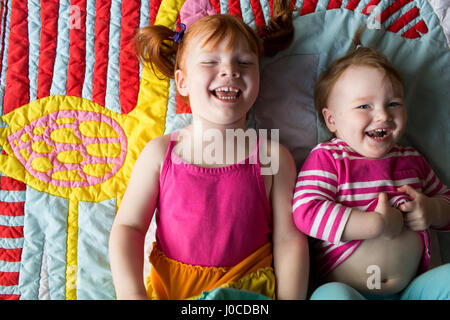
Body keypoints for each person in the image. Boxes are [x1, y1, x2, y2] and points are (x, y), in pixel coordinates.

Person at [109, 0, 309, 300]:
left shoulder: (272, 156)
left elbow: (288, 239)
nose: (229, 70)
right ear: (183, 82)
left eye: (244, 63)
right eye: (210, 62)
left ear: (259, 79)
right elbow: (128, 228)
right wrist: (132, 295)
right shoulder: (160, 153)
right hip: (173, 293)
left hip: (247, 297)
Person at [292, 33, 450, 300]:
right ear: (331, 120)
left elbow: (446, 200)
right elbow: (306, 211)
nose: (383, 115)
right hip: (353, 291)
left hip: (412, 291)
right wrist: (374, 225)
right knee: (331, 296)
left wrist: (432, 210)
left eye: (394, 104)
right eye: (364, 106)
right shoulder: (329, 157)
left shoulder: (411, 158)